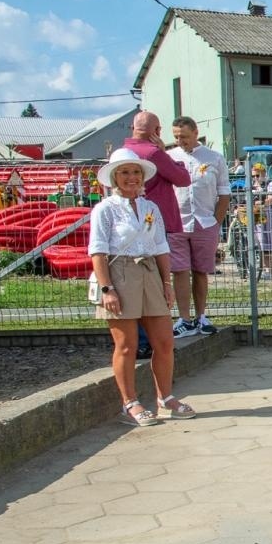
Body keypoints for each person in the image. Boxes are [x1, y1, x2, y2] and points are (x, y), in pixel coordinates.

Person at [88, 148, 195, 427]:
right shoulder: (105, 209)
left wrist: (166, 282)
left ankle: (166, 397)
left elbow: (160, 246)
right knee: (127, 345)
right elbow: (97, 251)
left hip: (149, 271)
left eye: (135, 172)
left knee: (164, 341)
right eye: (124, 172)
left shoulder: (151, 208)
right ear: (114, 177)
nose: (131, 178)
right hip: (120, 272)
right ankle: (130, 403)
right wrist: (106, 289)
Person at [124, 112, 190, 360]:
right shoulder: (153, 154)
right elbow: (183, 179)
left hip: (130, 226)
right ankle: (152, 340)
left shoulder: (123, 152)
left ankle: (140, 340)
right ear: (157, 131)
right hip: (156, 223)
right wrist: (169, 155)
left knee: (136, 283)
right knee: (157, 284)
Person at [167, 116, 231, 338]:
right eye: (176, 137)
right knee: (180, 270)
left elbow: (224, 193)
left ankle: (201, 316)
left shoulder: (214, 158)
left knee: (201, 270)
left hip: (205, 222)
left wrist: (216, 222)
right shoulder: (169, 157)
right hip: (177, 223)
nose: (180, 141)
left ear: (195, 133)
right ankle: (184, 319)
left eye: (183, 136)